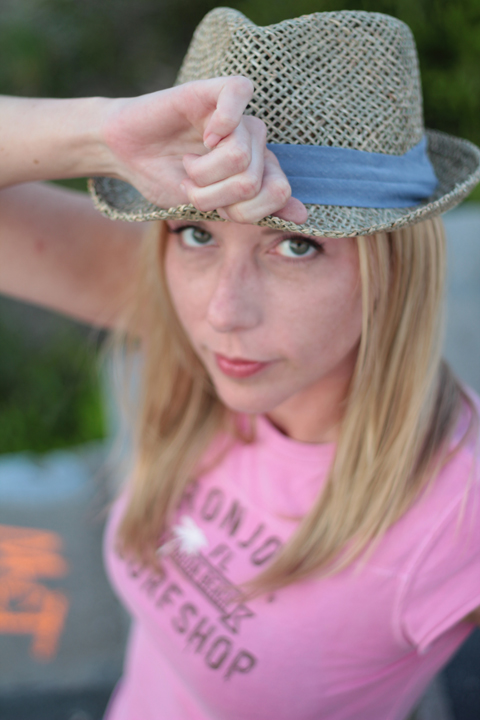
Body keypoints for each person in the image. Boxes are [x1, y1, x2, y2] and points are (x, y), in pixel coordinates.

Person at [1, 7, 480, 720]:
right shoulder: (181, 321)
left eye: (295, 246)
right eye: (195, 230)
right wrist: (99, 134)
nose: (223, 311)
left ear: (392, 269)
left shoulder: (455, 507)